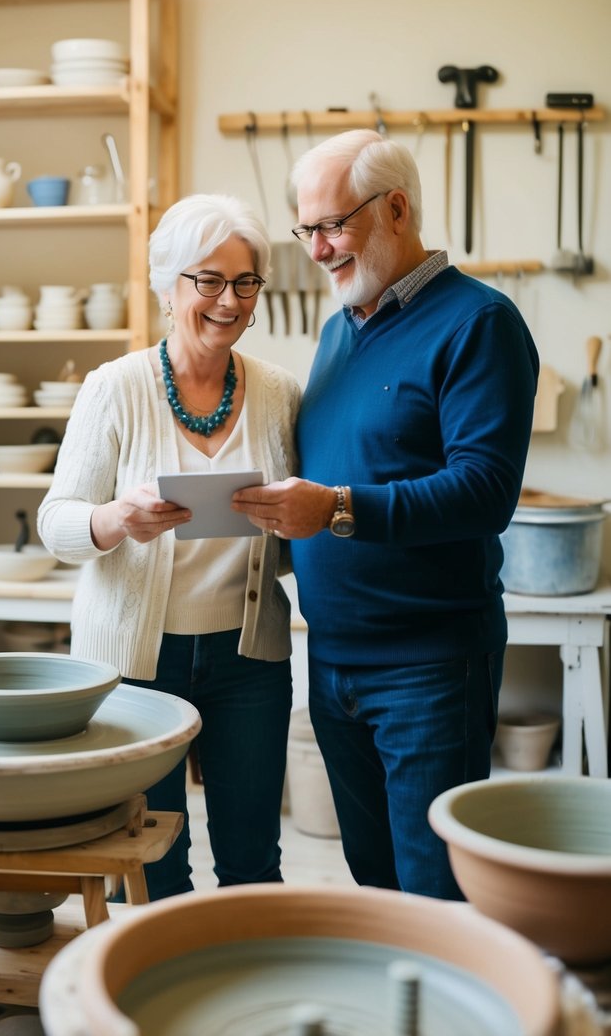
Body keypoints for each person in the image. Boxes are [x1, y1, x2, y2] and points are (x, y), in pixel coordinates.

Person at [231, 130, 539, 900]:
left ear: (396, 208)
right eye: (305, 231)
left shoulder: (479, 323)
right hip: (332, 656)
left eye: (332, 226)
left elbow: (483, 492)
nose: (318, 249)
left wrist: (333, 508)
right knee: (373, 879)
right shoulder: (338, 328)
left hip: (429, 663)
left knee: (433, 889)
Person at [37, 192, 301, 900]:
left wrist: (289, 519)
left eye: (244, 282)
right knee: (150, 861)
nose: (228, 300)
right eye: (207, 280)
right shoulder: (114, 388)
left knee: (252, 858)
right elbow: (55, 521)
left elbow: (295, 539)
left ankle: (244, 1000)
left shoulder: (278, 393)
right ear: (167, 286)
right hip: (132, 664)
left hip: (248, 658)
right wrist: (114, 521)